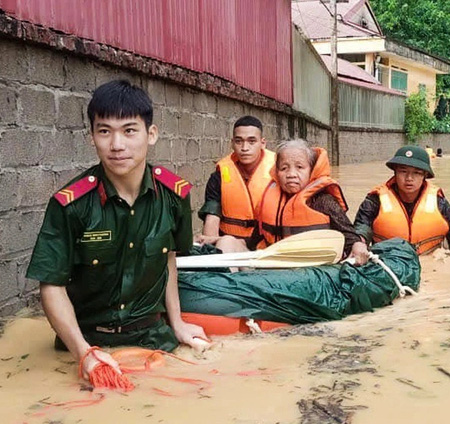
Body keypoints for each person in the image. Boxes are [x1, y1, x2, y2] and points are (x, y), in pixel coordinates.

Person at [26, 80, 207, 380]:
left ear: (151, 134)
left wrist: (177, 323)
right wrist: (83, 353)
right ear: (91, 137)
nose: (117, 145)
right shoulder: (70, 205)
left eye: (129, 130)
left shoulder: (175, 196)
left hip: (154, 341)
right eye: (105, 131)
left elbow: (168, 259)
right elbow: (51, 286)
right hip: (84, 345)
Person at [244, 139, 368, 263]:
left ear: (311, 170)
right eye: (284, 168)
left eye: (299, 167)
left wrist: (358, 245)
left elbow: (349, 236)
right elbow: (255, 239)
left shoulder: (323, 201)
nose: (291, 174)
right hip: (274, 263)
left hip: (313, 270)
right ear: (277, 173)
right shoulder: (268, 200)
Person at [351, 145, 450, 257]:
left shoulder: (439, 201)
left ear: (424, 175)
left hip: (431, 260)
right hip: (390, 261)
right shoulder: (375, 199)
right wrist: (359, 244)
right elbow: (361, 227)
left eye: (416, 173)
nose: (409, 178)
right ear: (395, 172)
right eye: (403, 171)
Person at [197, 116, 275, 242]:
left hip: (267, 245)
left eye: (251, 141)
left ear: (263, 143)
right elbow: (212, 217)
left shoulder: (278, 172)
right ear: (232, 143)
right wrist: (210, 249)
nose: (244, 148)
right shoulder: (218, 177)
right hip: (231, 244)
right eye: (239, 141)